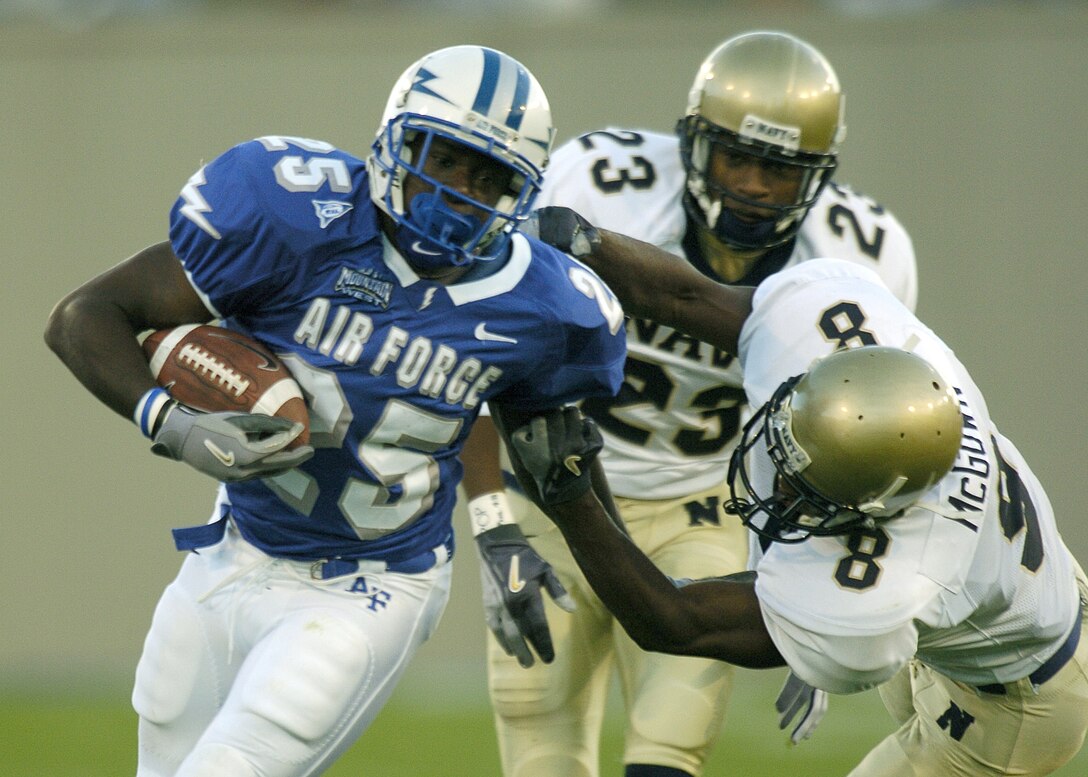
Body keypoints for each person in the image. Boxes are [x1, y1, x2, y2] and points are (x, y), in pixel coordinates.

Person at [43, 45, 626, 776]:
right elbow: (85, 315)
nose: (458, 192)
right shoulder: (294, 217)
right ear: (396, 139)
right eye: (442, 158)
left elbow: (502, 407)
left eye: (490, 177)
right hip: (235, 546)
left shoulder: (545, 305)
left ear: (524, 192)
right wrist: (172, 421)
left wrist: (500, 530)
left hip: (374, 584)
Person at [460, 30, 916, 777]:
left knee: (672, 745)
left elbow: (859, 442)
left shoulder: (864, 251)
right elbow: (474, 342)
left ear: (819, 174)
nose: (755, 186)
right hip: (553, 489)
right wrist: (491, 524)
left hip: (706, 503)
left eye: (780, 167)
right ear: (694, 141)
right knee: (539, 737)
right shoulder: (602, 187)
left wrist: (820, 596)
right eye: (738, 156)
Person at [495, 218, 1088, 776]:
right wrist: (578, 241)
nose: (773, 479)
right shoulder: (870, 379)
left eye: (799, 481)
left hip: (1016, 705)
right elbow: (686, 298)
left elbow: (673, 623)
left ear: (874, 507)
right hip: (987, 619)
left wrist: (568, 493)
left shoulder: (894, 579)